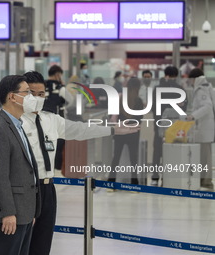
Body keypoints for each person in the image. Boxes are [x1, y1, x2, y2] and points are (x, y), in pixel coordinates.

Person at [21, 71, 140, 255]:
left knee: (42, 245)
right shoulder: (14, 123)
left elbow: (80, 130)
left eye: (41, 94)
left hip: (47, 190)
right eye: (32, 94)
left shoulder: (50, 120)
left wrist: (112, 130)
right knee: (20, 245)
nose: (37, 99)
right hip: (25, 189)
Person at [0, 75, 41, 255]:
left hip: (24, 211)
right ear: (12, 97)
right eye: (27, 93)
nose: (31, 97)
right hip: (11, 215)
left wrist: (30, 211)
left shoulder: (18, 125)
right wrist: (8, 212)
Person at [151, 66, 188, 186]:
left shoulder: (157, 89)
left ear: (165, 74)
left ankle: (155, 177)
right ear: (176, 75)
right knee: (172, 150)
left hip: (159, 123)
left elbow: (153, 107)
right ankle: (169, 177)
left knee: (157, 150)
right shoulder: (180, 89)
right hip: (175, 126)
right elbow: (184, 108)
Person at [107, 77, 144, 186]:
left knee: (116, 158)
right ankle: (134, 184)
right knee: (134, 159)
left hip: (120, 132)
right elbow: (139, 118)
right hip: (133, 133)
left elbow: (111, 116)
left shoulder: (119, 98)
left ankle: (111, 183)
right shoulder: (138, 101)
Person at [187, 68, 214, 191]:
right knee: (204, 156)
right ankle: (204, 180)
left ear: (194, 79)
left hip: (204, 128)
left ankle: (207, 182)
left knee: (205, 157)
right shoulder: (207, 87)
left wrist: (193, 116)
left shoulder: (201, 89)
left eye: (190, 80)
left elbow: (207, 106)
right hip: (205, 128)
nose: (190, 82)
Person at [44, 65, 73, 172]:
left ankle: (47, 167)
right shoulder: (61, 89)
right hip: (58, 122)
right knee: (59, 146)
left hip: (43, 122)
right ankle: (56, 169)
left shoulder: (42, 86)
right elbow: (71, 101)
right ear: (57, 75)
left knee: (45, 146)